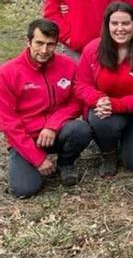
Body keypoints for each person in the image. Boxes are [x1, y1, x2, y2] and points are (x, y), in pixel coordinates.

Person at [0, 19, 91, 198]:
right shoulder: (8, 73)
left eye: (50, 45)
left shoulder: (68, 65)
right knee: (24, 190)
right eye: (39, 43)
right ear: (28, 42)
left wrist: (52, 125)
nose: (44, 50)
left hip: (56, 132)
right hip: (26, 138)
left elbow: (76, 101)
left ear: (56, 44)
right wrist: (38, 159)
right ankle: (29, 162)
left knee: (81, 129)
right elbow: (8, 123)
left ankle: (66, 163)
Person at [76, 1, 133, 176]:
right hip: (106, 112)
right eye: (114, 23)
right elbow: (81, 84)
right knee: (100, 120)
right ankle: (109, 153)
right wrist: (99, 100)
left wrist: (116, 104)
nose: (120, 29)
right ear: (107, 25)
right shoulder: (93, 50)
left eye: (125, 23)